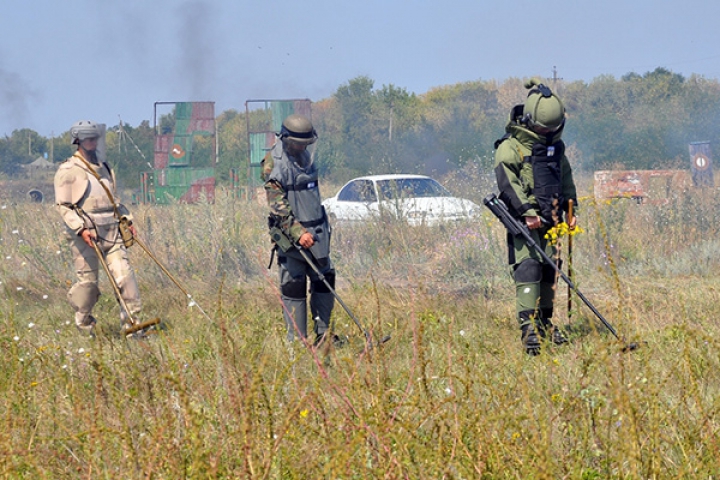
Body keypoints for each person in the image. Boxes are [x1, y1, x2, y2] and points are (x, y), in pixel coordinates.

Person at [493, 79, 578, 355]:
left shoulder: (555, 150)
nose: (547, 133)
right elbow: (508, 182)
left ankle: (545, 323)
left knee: (549, 269)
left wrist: (570, 209)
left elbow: (565, 178)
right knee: (528, 267)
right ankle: (529, 327)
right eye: (543, 128)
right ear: (529, 120)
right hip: (525, 221)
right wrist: (527, 213)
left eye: (551, 129)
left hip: (552, 218)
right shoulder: (511, 147)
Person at [54, 120, 142, 336]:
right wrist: (81, 229)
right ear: (78, 141)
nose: (92, 142)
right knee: (88, 287)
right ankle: (85, 327)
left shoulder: (104, 167)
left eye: (94, 138)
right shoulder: (69, 170)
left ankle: (133, 327)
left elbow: (113, 201)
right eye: (88, 139)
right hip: (86, 237)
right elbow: (64, 207)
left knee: (125, 279)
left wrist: (126, 219)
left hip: (112, 232)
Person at [263, 114, 339, 347]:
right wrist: (299, 233)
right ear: (286, 139)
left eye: (306, 143)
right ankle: (297, 343)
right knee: (294, 287)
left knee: (324, 281)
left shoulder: (304, 156)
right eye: (298, 143)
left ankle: (324, 336)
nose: (302, 147)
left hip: (317, 235)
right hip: (294, 240)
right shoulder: (273, 164)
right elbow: (279, 208)